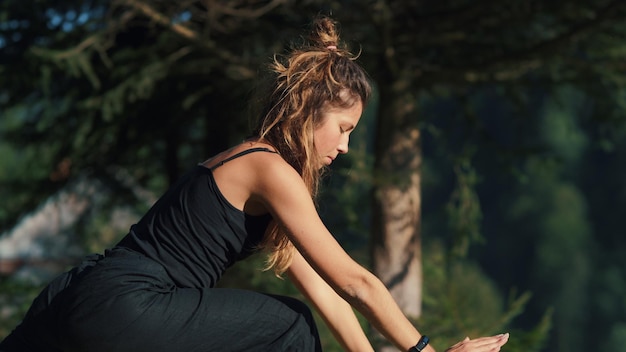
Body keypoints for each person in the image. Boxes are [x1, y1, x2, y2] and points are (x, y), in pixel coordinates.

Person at [0, 16, 510, 352]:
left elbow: (328, 296)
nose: (345, 148)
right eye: (344, 129)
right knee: (288, 328)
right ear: (312, 112)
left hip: (84, 297)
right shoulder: (270, 170)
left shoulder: (254, 173)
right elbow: (357, 283)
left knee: (293, 319)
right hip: (131, 302)